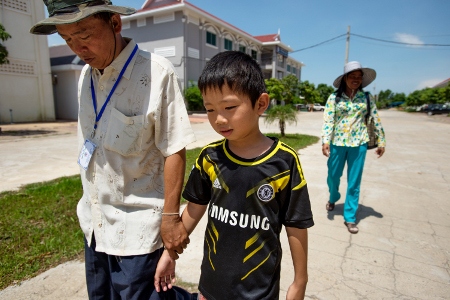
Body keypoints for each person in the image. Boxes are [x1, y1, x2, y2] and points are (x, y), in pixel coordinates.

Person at [30, 1, 196, 298]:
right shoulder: (85, 77)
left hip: (138, 230)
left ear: (115, 24)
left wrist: (171, 218)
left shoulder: (157, 73)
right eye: (67, 39)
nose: (77, 48)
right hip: (94, 225)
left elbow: (174, 149)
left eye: (84, 35)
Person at [163, 51, 314, 300]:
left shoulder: (284, 162)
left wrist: (300, 281)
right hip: (210, 287)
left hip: (259, 292)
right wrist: (170, 253)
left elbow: (296, 225)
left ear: (261, 104)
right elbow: (194, 208)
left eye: (230, 107)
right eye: (210, 109)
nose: (219, 119)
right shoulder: (209, 158)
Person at [321, 61, 386, 234]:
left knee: (354, 182)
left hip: (359, 144)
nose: (356, 80)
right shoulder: (334, 97)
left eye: (359, 77)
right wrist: (325, 141)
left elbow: (375, 118)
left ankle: (350, 217)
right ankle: (333, 197)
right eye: (352, 76)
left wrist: (381, 140)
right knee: (333, 176)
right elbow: (328, 120)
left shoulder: (366, 98)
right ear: (345, 79)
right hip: (337, 143)